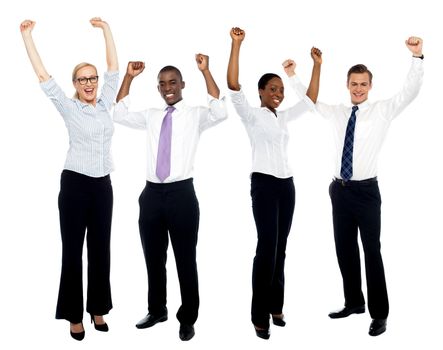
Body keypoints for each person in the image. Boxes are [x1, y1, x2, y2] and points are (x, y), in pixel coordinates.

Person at [288, 36, 424, 337]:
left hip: (366, 192)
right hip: (339, 190)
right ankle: (353, 302)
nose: (358, 89)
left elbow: (410, 92)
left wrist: (417, 58)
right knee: (344, 249)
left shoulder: (383, 111)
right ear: (347, 85)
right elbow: (310, 104)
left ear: (370, 86)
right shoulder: (337, 112)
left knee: (371, 251)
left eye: (363, 84)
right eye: (354, 84)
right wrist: (293, 76)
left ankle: (380, 314)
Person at [113, 55, 227, 341]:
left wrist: (206, 71)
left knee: (185, 260)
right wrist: (128, 77)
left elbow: (221, 111)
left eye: (173, 82)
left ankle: (188, 318)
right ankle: (157, 309)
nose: (168, 87)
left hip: (181, 195)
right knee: (153, 259)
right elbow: (118, 113)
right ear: (158, 88)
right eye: (162, 84)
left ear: (182, 84)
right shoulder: (152, 115)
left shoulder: (195, 114)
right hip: (151, 194)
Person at [20, 18, 119, 341]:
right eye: (82, 80)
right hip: (75, 184)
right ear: (75, 84)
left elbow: (113, 69)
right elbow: (42, 76)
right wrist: (27, 36)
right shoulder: (69, 106)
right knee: (73, 250)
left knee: (101, 249)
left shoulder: (106, 103)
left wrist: (105, 30)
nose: (89, 83)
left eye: (92, 78)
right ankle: (74, 316)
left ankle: (98, 309)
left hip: (103, 185)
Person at [227, 27, 322, 340]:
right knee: (266, 248)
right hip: (264, 185)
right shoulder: (251, 115)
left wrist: (314, 67)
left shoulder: (282, 117)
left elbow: (309, 102)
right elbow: (232, 85)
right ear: (261, 92)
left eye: (280, 89)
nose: (278, 93)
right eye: (272, 88)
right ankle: (258, 315)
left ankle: (276, 306)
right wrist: (236, 44)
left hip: (287, 186)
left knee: (280, 249)